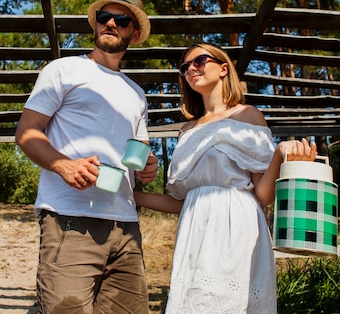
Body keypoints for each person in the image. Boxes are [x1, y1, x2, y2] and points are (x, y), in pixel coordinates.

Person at [134, 43, 317, 314]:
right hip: (194, 232)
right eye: (185, 67)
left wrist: (278, 156)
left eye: (199, 61)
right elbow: (184, 202)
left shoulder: (247, 115)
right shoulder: (185, 131)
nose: (191, 69)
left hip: (238, 228)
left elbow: (263, 196)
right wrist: (132, 195)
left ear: (223, 68)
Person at [15, 0, 159, 314]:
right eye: (104, 18)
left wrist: (148, 166)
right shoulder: (63, 70)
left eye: (121, 20)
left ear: (133, 35)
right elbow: (26, 133)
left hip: (126, 225)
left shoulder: (137, 94)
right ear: (94, 26)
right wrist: (64, 165)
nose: (110, 23)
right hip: (70, 218)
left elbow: (139, 152)